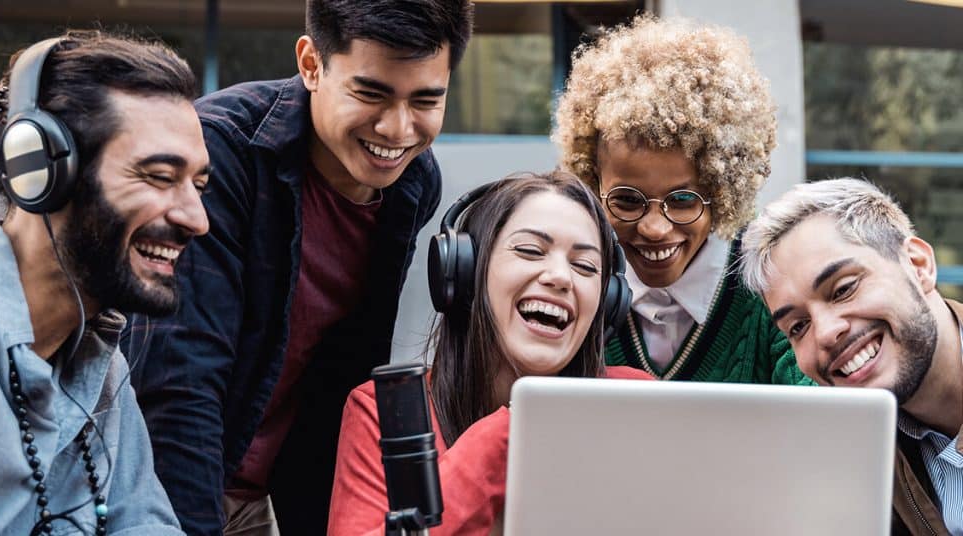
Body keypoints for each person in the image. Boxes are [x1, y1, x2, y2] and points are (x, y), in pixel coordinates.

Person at [120, 1, 476, 533]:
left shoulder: (414, 182)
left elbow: (342, 373)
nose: (398, 129)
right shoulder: (218, 152)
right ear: (312, 64)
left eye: (426, 99)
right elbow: (179, 378)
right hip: (159, 488)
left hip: (264, 496)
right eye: (371, 92)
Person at [0, 31, 209, 534]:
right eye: (157, 176)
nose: (198, 219)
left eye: (198, 185)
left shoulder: (101, 360)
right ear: (40, 172)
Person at [327, 172, 654, 535]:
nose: (561, 277)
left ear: (606, 303)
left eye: (585, 267)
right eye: (530, 250)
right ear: (466, 273)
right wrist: (505, 437)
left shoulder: (633, 401)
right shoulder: (391, 412)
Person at [552, 15, 810, 385]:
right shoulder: (572, 285)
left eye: (684, 200)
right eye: (627, 200)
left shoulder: (772, 286)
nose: (654, 228)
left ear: (722, 191)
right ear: (594, 185)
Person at [741, 177, 963, 535]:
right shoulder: (855, 461)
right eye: (798, 327)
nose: (826, 333)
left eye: (843, 289)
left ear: (918, 265)